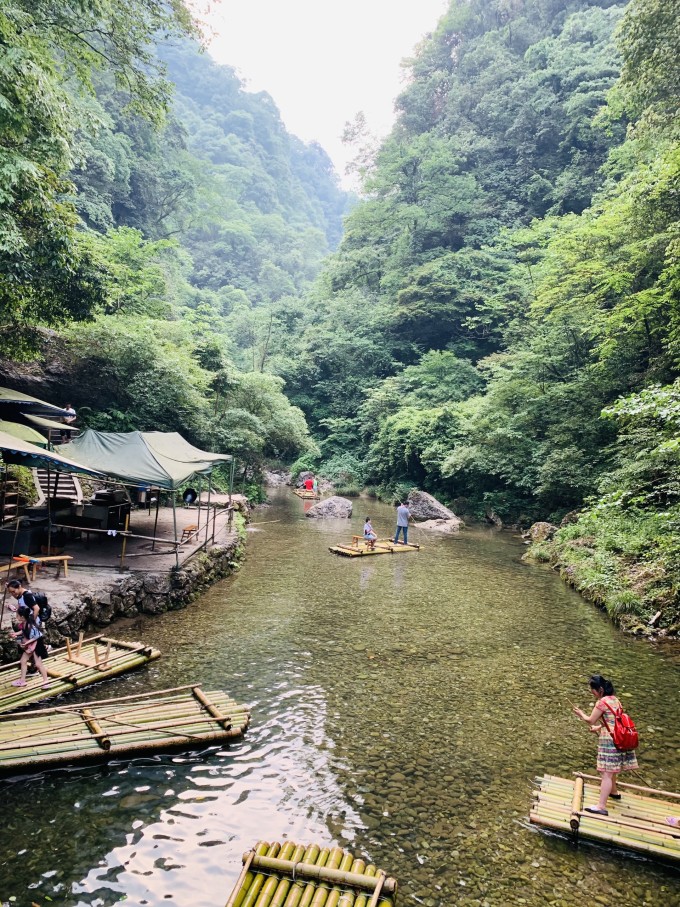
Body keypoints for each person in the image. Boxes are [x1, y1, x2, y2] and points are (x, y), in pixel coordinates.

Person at [573, 674, 638, 815]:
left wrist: (581, 714)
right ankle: (614, 792)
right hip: (619, 739)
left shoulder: (601, 702)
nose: (593, 694)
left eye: (594, 691)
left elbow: (590, 720)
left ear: (600, 689)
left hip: (610, 742)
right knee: (612, 770)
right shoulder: (615, 699)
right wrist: (599, 728)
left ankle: (601, 806)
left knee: (606, 773)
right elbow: (613, 720)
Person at [11, 605, 50, 688]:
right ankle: (22, 681)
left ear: (22, 617)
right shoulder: (24, 623)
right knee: (23, 661)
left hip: (37, 645)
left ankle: (46, 681)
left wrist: (26, 643)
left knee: (38, 664)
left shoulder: (30, 625)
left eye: (17, 615)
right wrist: (16, 634)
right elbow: (23, 631)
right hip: (30, 645)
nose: (16, 617)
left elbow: (36, 636)